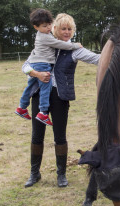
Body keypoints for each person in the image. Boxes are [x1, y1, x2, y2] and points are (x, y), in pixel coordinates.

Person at [21, 13, 100, 188]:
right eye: (63, 28)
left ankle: (61, 174)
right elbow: (25, 66)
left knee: (60, 136)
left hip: (60, 97)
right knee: (37, 135)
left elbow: (97, 59)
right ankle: (34, 173)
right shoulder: (43, 44)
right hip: (39, 95)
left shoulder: (75, 49)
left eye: (69, 29)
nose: (66, 32)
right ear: (54, 28)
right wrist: (36, 74)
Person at [15, 9, 82, 126]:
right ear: (36, 27)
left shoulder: (41, 34)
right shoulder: (46, 37)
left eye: (50, 24)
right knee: (45, 88)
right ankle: (43, 112)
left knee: (30, 86)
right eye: (44, 26)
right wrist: (75, 45)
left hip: (35, 64)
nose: (48, 28)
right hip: (42, 65)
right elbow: (60, 44)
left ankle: (21, 106)